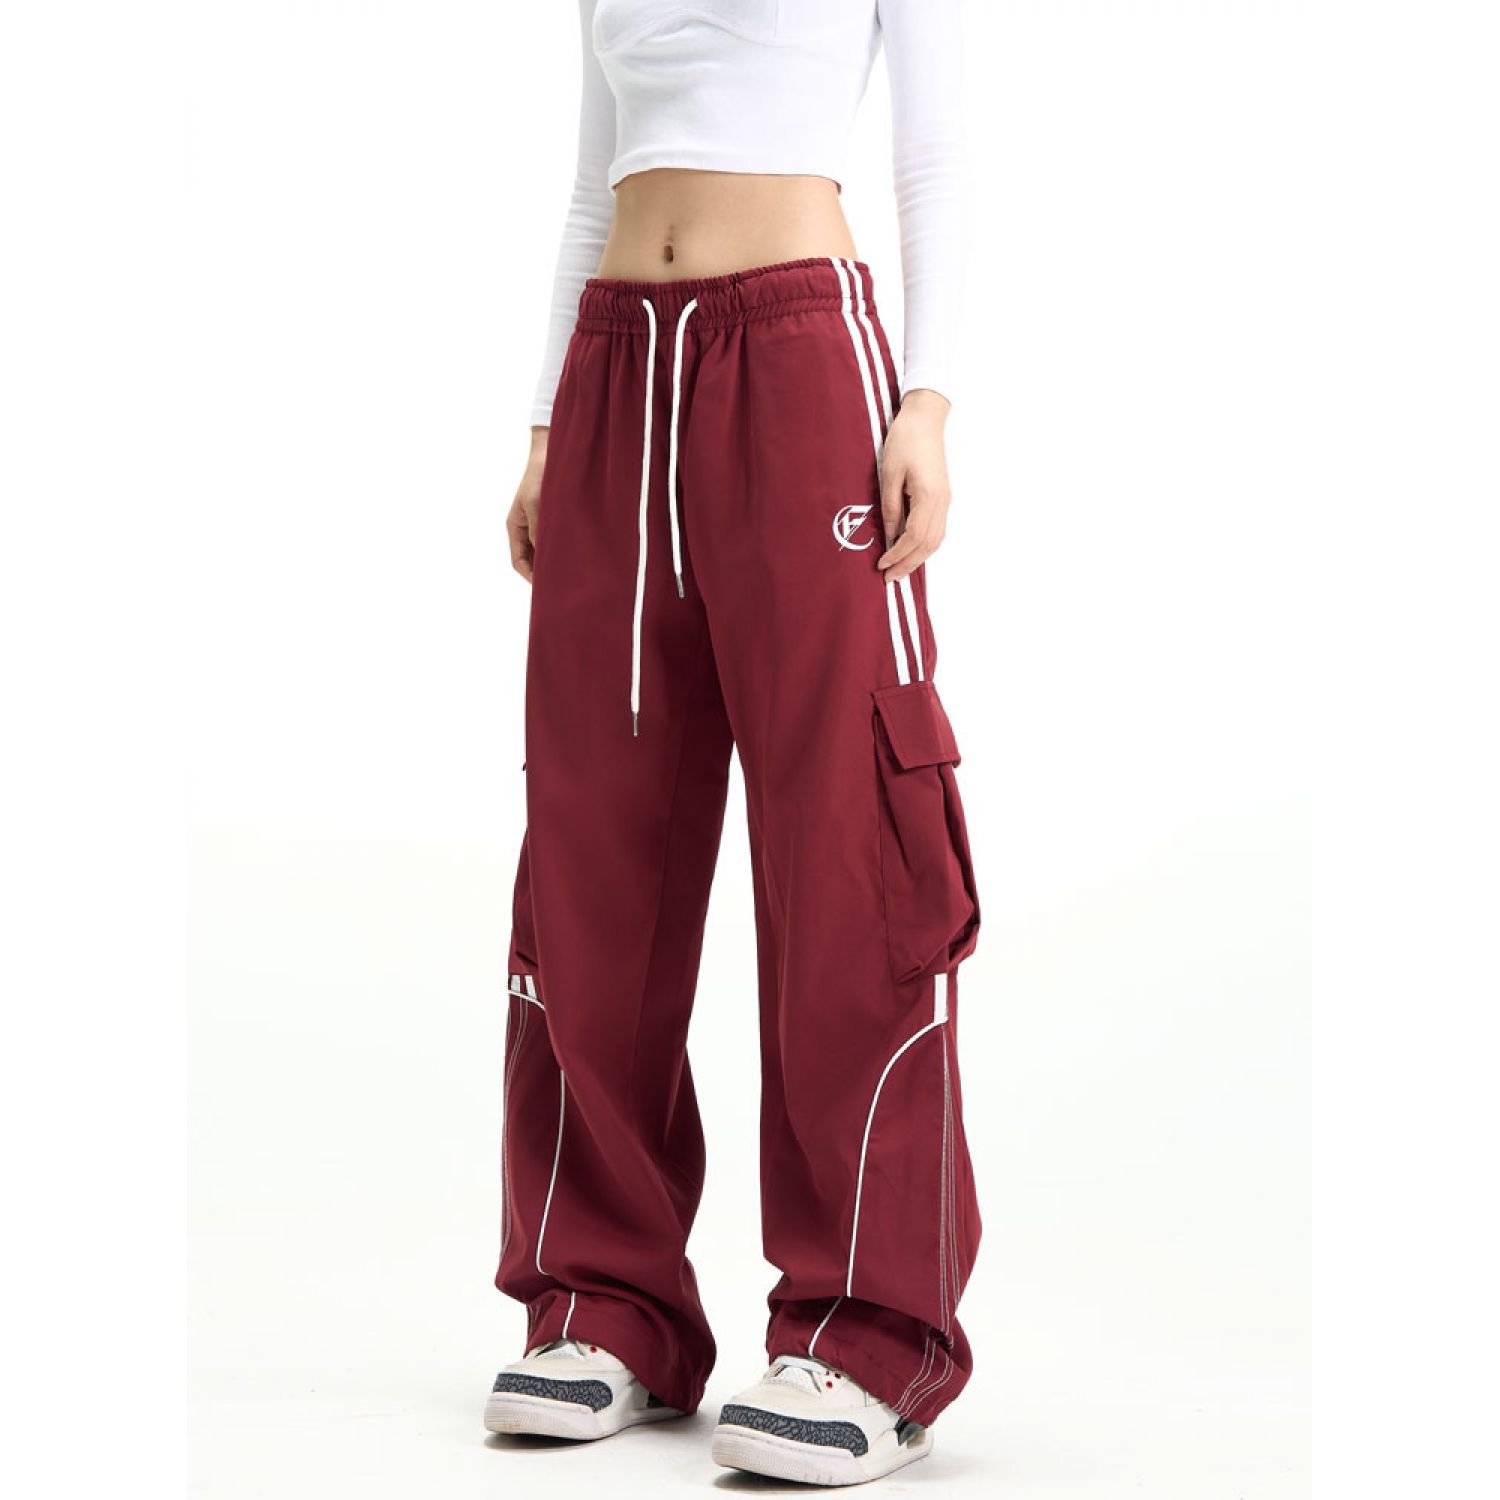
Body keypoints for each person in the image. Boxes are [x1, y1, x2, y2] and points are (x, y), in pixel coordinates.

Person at [483, 1, 981, 1485]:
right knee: (594, 839)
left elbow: (939, 153)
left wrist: (929, 401)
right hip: (613, 365)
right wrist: (548, 426)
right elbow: (597, 182)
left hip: (800, 356)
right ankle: (606, 1306)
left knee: (847, 838)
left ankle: (866, 1336)